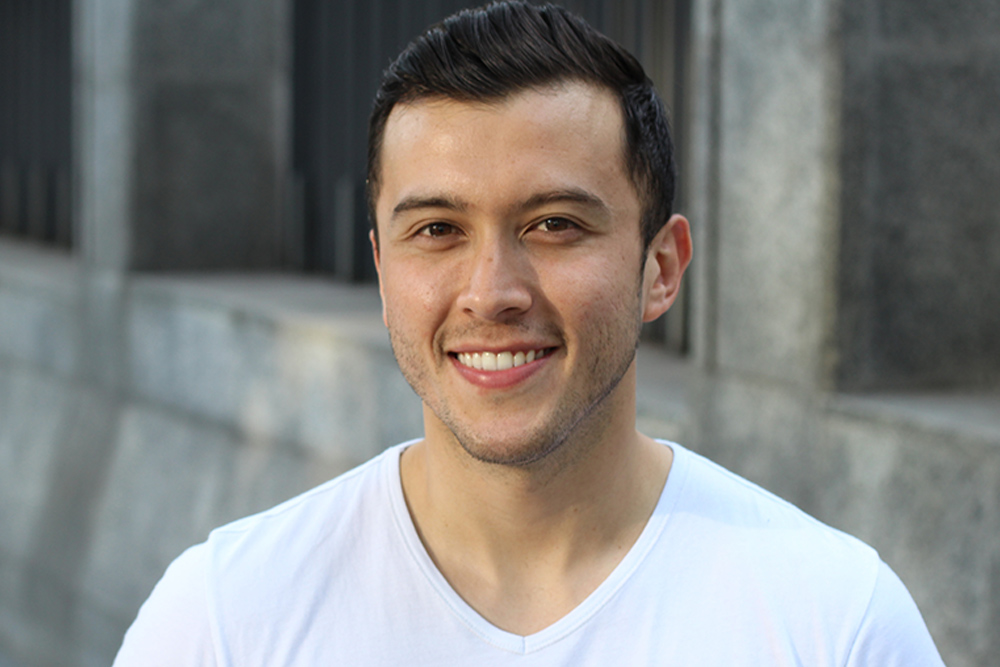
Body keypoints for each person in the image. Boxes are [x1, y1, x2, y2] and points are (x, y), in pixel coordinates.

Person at [114, 2, 945, 664]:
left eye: (553, 224)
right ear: (381, 268)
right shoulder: (224, 619)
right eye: (437, 229)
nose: (492, 292)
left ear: (661, 266)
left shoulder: (836, 623)